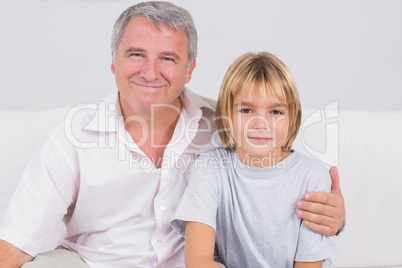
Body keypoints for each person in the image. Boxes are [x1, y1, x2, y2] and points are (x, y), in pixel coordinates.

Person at [0, 2, 345, 268]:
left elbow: (279, 182)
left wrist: (332, 216)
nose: (150, 72)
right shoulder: (70, 140)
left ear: (189, 69)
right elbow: (14, 244)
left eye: (167, 58)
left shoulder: (227, 124)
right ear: (114, 61)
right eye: (136, 54)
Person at [171, 51, 337, 268]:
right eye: (247, 110)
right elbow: (197, 260)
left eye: (276, 112)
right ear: (226, 114)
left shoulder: (311, 176)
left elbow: (309, 265)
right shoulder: (210, 169)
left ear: (292, 117)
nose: (260, 123)